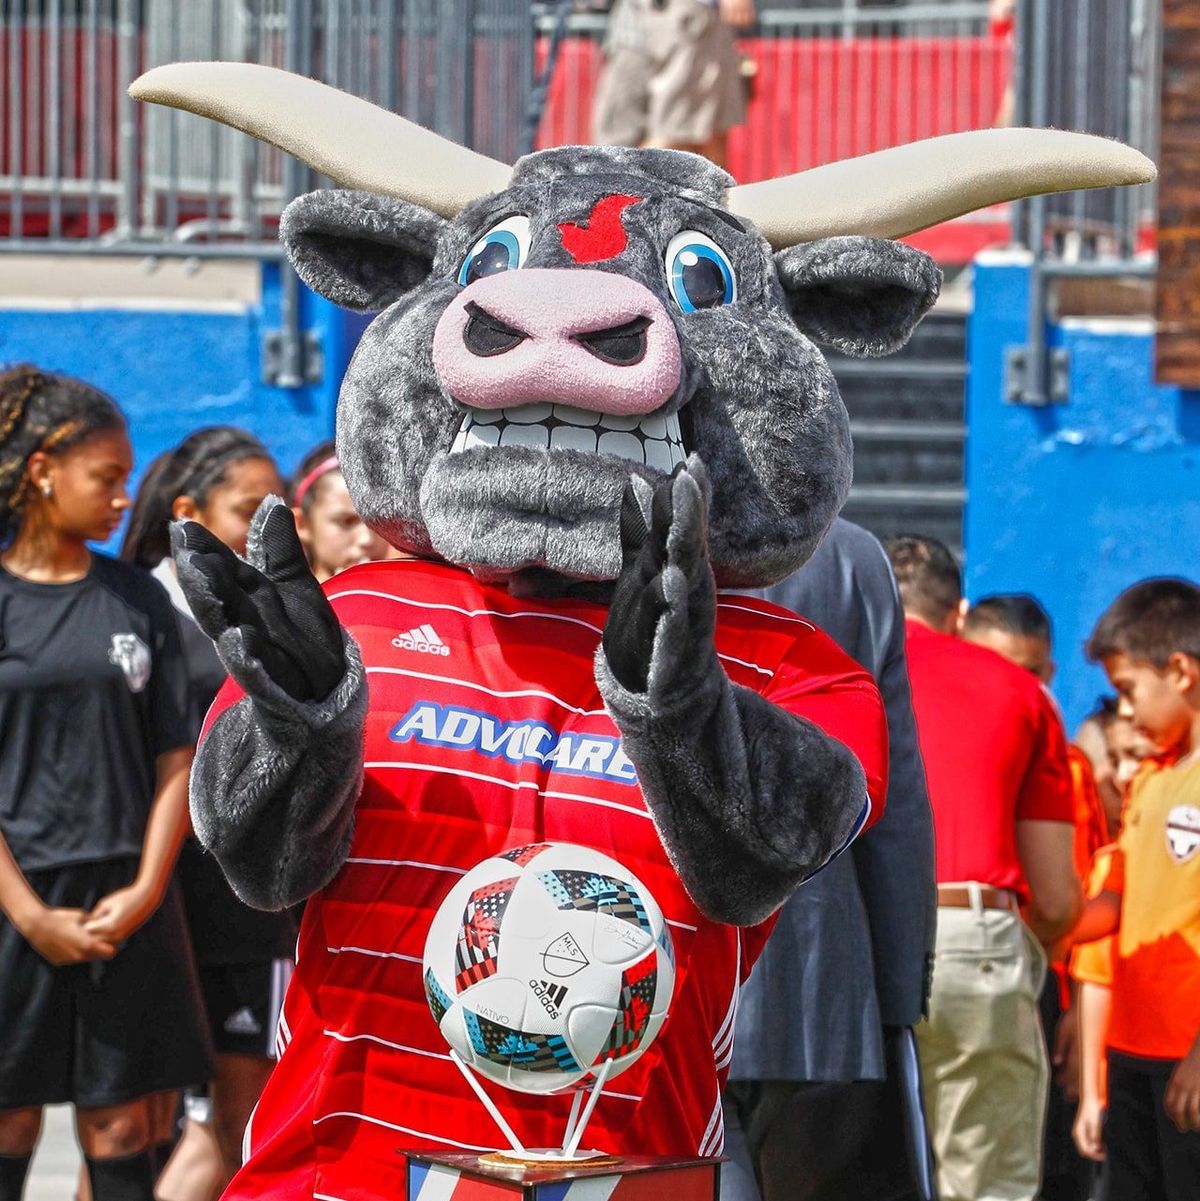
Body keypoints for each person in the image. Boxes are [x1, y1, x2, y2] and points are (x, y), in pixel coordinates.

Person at [0, 366, 212, 1201]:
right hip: (17, 902)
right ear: (43, 468)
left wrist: (146, 888)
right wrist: (26, 912)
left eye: (129, 478)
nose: (125, 497)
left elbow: (176, 758)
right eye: (107, 477)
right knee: (9, 1118)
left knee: (125, 1128)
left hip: (129, 903)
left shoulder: (136, 600)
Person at [723, 517, 936, 1201]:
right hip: (820, 978)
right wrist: (897, 993)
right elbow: (891, 799)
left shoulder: (611, 521)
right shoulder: (854, 557)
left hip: (646, 957)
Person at [120, 428, 295, 1197]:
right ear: (189, 510)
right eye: (248, 505)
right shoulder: (139, 613)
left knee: (235, 1115)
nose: (267, 522)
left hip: (236, 913)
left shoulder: (263, 611)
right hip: (154, 900)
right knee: (135, 1122)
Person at [885, 536, 1081, 1201]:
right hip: (973, 937)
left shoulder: (844, 669)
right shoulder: (1018, 689)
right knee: (988, 1183)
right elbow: (1056, 898)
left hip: (855, 949)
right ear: (960, 612)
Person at [1069, 578, 1200, 1199]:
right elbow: (1113, 907)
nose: (1124, 711)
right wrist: (1035, 916)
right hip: (1131, 1050)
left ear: (1180, 672)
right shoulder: (1149, 779)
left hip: (1190, 1056)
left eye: (1129, 691)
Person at [592, 0, 755, 169]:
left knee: (681, 136)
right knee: (616, 141)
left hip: (690, 15)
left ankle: (627, 188)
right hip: (633, 16)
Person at [287, 440, 394, 582]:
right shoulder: (281, 603)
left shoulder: (411, 598)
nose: (367, 540)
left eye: (379, 521)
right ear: (302, 524)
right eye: (347, 521)